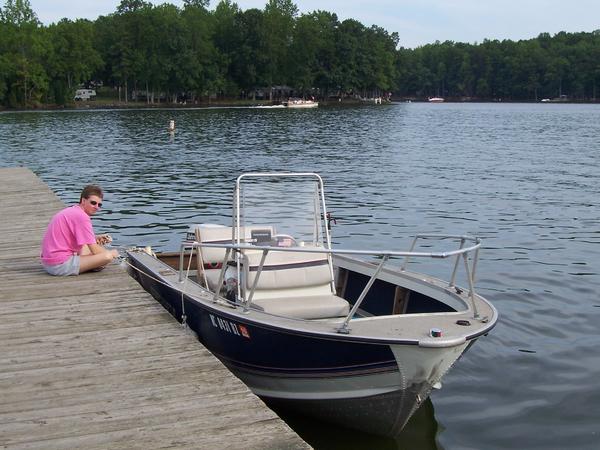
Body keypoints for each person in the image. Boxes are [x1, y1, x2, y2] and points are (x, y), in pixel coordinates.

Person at [40, 184, 119, 276]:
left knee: (89, 247)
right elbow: (95, 251)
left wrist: (94, 238)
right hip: (59, 265)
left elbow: (79, 239)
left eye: (99, 204)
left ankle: (91, 264)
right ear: (83, 200)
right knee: (107, 256)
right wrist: (113, 254)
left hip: (49, 262)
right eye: (93, 203)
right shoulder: (82, 217)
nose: (97, 207)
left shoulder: (74, 210)